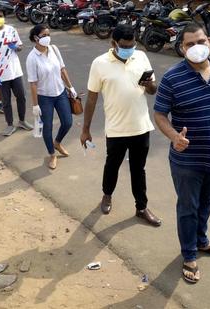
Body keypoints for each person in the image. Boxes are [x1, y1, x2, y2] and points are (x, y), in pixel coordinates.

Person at [154, 22, 210, 284]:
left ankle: (201, 241)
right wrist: (173, 137)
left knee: (206, 203)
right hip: (186, 160)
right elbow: (159, 113)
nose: (196, 47)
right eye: (190, 44)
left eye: (201, 41)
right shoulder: (172, 77)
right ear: (182, 48)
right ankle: (189, 254)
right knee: (188, 208)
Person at [81, 24, 162, 227]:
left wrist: (149, 85)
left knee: (138, 169)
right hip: (116, 129)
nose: (130, 49)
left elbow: (152, 89)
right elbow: (91, 98)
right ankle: (107, 195)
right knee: (112, 165)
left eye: (133, 44)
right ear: (114, 44)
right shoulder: (99, 63)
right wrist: (85, 130)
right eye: (125, 45)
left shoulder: (141, 57)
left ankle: (141, 207)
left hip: (141, 126)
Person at [26, 25, 76, 169]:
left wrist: (70, 87)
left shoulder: (54, 49)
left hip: (60, 93)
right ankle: (52, 154)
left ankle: (57, 142)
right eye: (44, 35)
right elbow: (33, 84)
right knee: (47, 128)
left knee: (67, 122)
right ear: (36, 38)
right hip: (44, 97)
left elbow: (62, 69)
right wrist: (35, 105)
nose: (47, 37)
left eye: (49, 34)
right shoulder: (32, 58)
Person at [0, 6, 32, 136]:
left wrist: (16, 47)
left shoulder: (11, 30)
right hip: (0, 74)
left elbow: (20, 46)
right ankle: (9, 125)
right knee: (6, 101)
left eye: (1, 16)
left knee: (21, 97)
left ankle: (22, 121)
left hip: (15, 71)